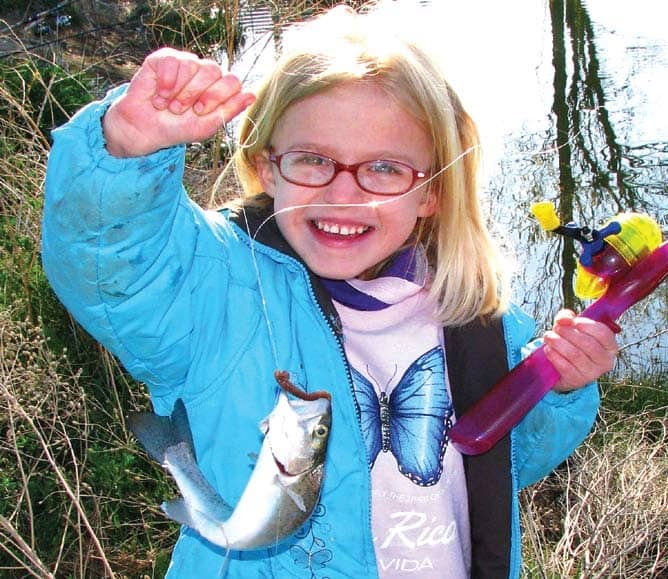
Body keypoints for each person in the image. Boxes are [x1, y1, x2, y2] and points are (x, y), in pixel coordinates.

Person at [42, 5, 617, 578]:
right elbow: (113, 271)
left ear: (433, 192)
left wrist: (559, 387)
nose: (343, 195)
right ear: (266, 166)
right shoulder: (217, 287)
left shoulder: (480, 313)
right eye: (312, 160)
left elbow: (507, 457)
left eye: (386, 169)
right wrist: (127, 154)